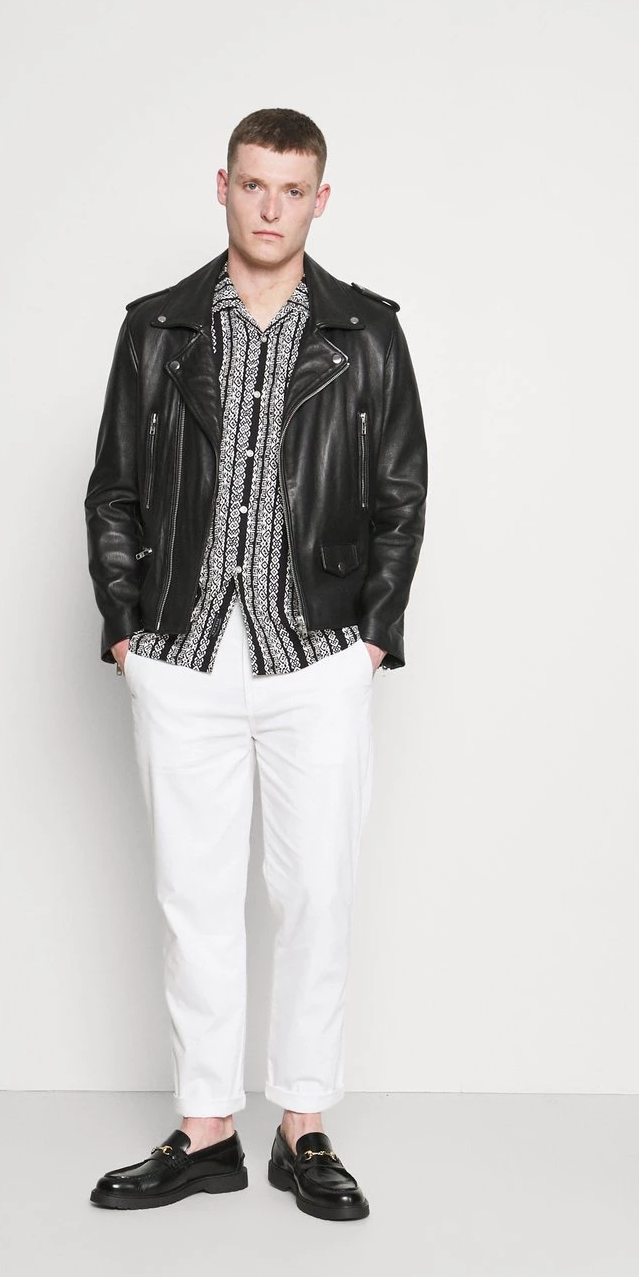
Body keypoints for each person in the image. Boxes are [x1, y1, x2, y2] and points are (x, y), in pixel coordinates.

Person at [83, 107, 427, 1221]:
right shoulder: (158, 328)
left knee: (316, 892)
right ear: (222, 187)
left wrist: (371, 635)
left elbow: (401, 493)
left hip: (315, 650)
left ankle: (303, 1126)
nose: (270, 208)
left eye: (291, 189)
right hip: (182, 649)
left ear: (320, 200)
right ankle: (205, 1132)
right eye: (252, 184)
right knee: (193, 897)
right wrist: (126, 626)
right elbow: (113, 489)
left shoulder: (366, 333)